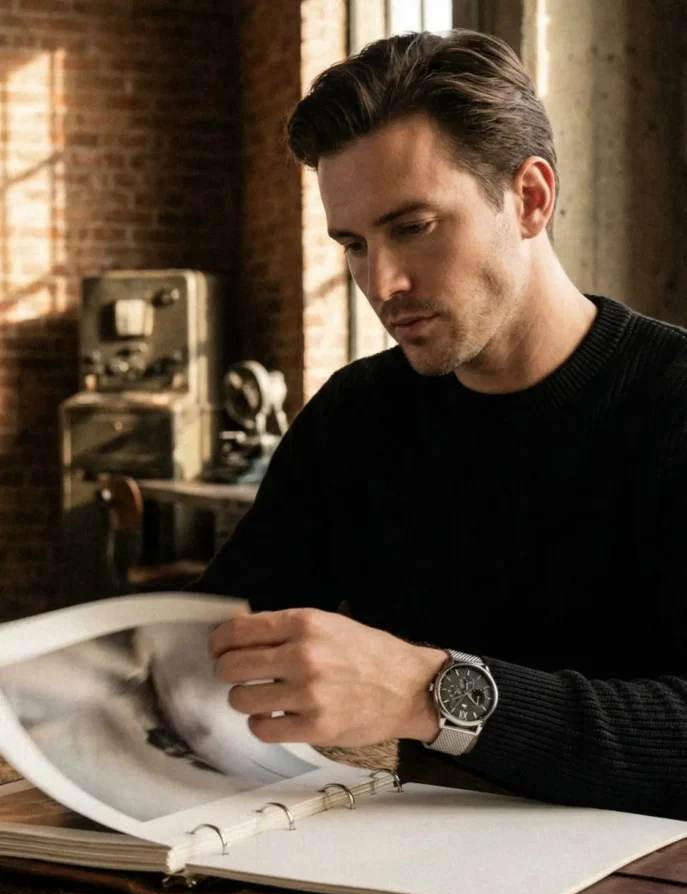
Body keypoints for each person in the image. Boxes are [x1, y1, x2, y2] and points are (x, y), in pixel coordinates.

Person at [193, 30, 687, 819]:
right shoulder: (357, 416)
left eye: (413, 227)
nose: (380, 282)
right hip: (419, 867)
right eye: (353, 245)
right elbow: (218, 632)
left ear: (529, 198)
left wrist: (433, 692)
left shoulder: (671, 402)